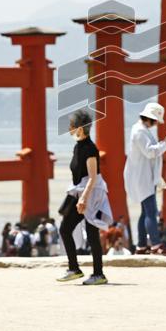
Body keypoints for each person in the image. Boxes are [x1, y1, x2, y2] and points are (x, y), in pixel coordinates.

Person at [57, 109, 113, 285]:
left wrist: (84, 199)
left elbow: (93, 177)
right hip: (79, 192)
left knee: (91, 233)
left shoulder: (89, 148)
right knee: (65, 229)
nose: (70, 128)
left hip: (90, 194)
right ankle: (74, 269)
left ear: (80, 128)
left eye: (72, 126)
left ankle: (98, 274)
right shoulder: (77, 146)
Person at [123, 102, 166, 254]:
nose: (156, 124)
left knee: (145, 212)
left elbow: (153, 148)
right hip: (142, 177)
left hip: (144, 176)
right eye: (156, 121)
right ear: (150, 118)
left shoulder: (142, 130)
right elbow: (150, 152)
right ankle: (156, 245)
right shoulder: (139, 132)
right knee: (151, 211)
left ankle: (141, 246)